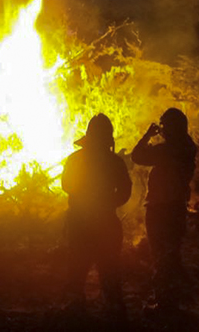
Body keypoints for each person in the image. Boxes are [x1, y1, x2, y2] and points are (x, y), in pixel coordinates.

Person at [62, 113, 132, 315]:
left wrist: (82, 199)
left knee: (77, 266)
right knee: (109, 269)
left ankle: (74, 309)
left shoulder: (75, 159)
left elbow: (66, 185)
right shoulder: (115, 162)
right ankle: (115, 310)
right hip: (106, 223)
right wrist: (109, 204)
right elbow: (125, 191)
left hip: (79, 222)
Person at [132, 108, 196, 313]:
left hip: (161, 209)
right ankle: (180, 294)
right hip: (176, 207)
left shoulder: (168, 151)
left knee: (161, 254)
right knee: (171, 253)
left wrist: (148, 136)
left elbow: (137, 156)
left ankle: (164, 302)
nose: (162, 129)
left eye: (164, 125)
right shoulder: (187, 146)